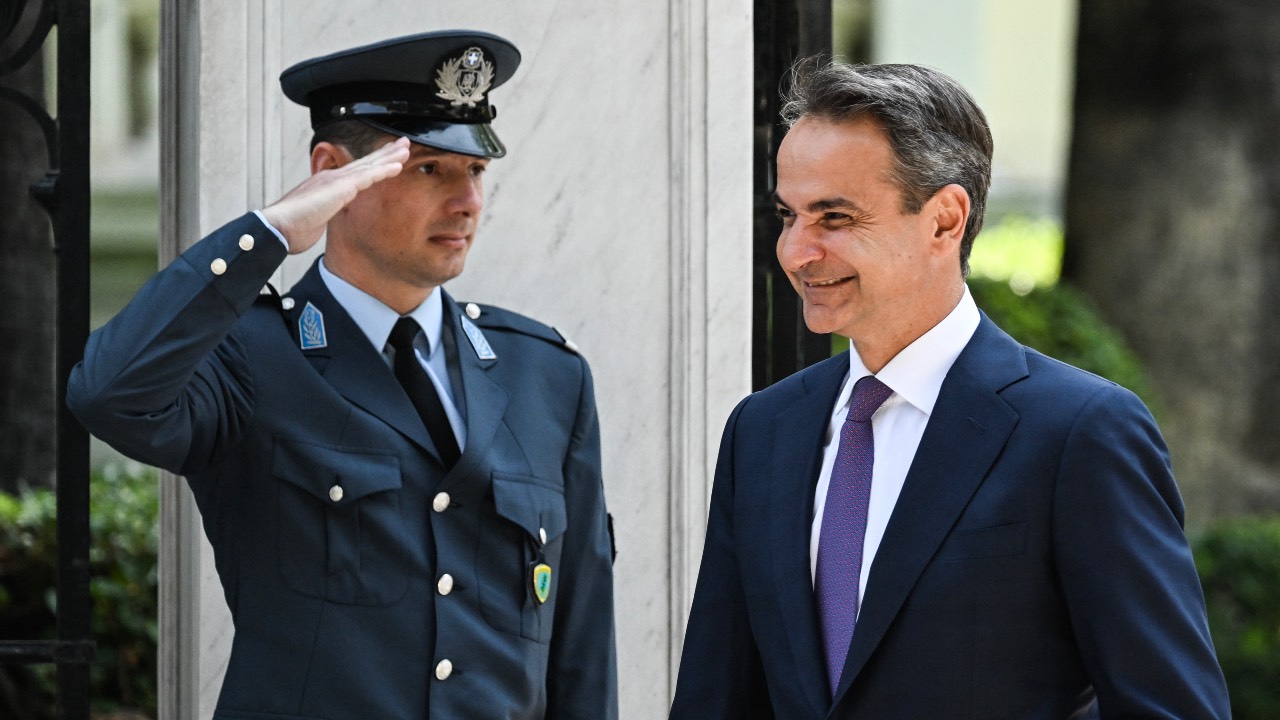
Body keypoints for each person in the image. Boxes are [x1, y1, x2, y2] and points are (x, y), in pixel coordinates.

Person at [68, 30, 617, 720]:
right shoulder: (249, 357)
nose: (467, 201)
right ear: (333, 172)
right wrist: (267, 234)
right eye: (427, 169)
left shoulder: (546, 374)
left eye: (474, 171)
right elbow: (108, 395)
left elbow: (581, 650)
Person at [669, 59, 1230, 719]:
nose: (796, 251)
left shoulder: (1080, 432)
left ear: (945, 219)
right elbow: (715, 698)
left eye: (835, 218)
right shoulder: (762, 431)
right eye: (789, 215)